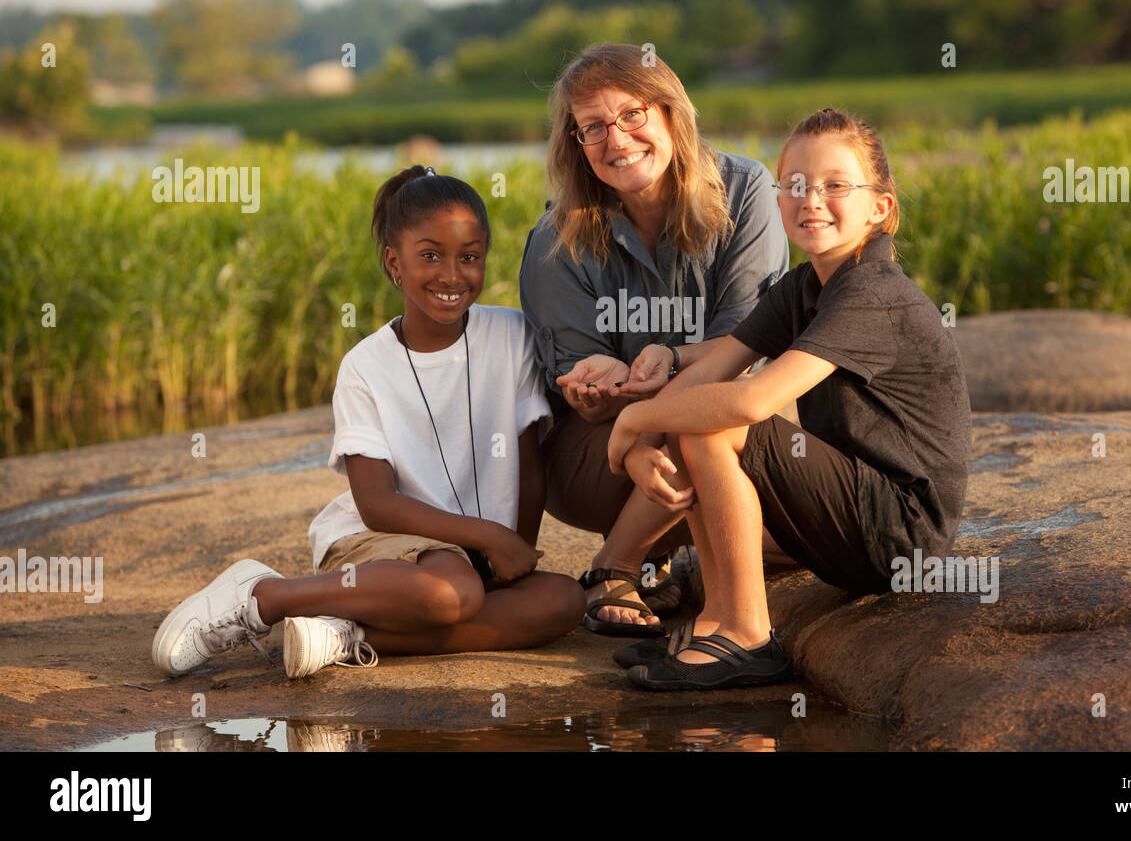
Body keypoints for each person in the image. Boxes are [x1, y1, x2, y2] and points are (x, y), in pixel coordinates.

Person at [152, 167, 585, 679]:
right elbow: (376, 503)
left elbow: (528, 467)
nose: (452, 274)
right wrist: (487, 537)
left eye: (469, 257)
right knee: (451, 591)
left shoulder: (511, 336)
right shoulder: (364, 367)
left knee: (562, 600)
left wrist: (510, 553)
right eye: (430, 255)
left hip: (473, 557)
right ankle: (265, 597)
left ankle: (344, 634)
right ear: (393, 262)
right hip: (383, 544)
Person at [604, 108, 972, 690]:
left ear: (881, 207)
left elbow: (752, 402)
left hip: (901, 533)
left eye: (834, 185)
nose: (811, 199)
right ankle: (716, 621)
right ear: (778, 200)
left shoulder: (872, 293)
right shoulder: (804, 286)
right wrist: (641, 444)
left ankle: (749, 637)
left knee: (715, 425)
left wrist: (634, 418)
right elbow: (713, 370)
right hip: (847, 516)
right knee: (698, 416)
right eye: (795, 185)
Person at [518, 43, 789, 637]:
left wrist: (667, 370)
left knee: (728, 417)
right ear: (576, 144)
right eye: (593, 127)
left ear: (670, 113)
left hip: (700, 420)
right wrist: (596, 388)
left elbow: (750, 343)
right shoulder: (555, 238)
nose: (616, 140)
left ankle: (650, 558)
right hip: (600, 456)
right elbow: (575, 372)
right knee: (707, 423)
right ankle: (613, 565)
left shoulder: (747, 192)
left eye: (632, 115)